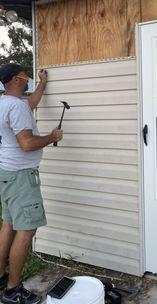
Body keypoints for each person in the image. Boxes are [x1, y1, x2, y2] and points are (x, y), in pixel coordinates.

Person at [0, 63, 63, 304]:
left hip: (6, 172)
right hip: (21, 176)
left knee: (9, 225)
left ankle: (1, 278)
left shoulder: (6, 102)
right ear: (15, 80)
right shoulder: (16, 107)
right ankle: (13, 290)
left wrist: (43, 83)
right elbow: (26, 144)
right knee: (26, 230)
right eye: (25, 78)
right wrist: (52, 137)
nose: (28, 82)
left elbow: (31, 103)